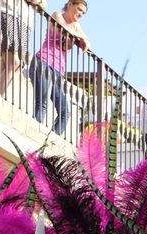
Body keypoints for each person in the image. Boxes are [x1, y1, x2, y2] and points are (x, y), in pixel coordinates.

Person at [29, 0, 89, 137]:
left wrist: (81, 39)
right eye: (79, 9)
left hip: (58, 71)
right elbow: (63, 28)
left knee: (65, 111)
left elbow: (87, 43)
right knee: (42, 102)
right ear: (69, 5)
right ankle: (35, 135)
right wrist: (80, 37)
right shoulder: (57, 15)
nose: (81, 14)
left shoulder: (75, 26)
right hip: (43, 62)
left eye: (83, 13)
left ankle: (50, 140)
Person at [0, 0, 46, 96]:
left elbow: (44, 5)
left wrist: (39, 2)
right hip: (8, 11)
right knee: (14, 62)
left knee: (9, 63)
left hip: (25, 22)